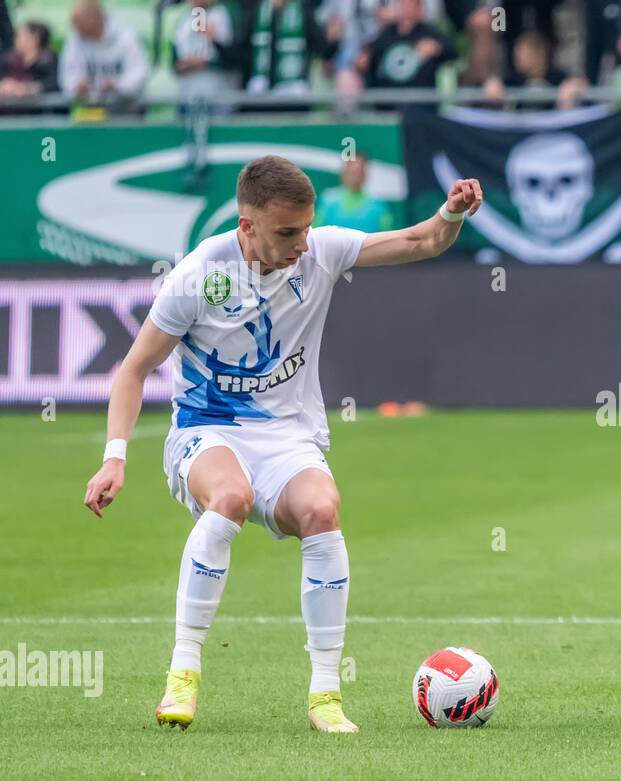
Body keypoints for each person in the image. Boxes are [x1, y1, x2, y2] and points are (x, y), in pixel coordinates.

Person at [83, 155, 483, 733]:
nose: (301, 244)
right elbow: (133, 370)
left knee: (322, 510)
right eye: (286, 232)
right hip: (206, 429)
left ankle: (325, 697)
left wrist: (451, 212)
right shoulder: (199, 276)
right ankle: (184, 673)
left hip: (287, 436)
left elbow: (421, 242)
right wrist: (114, 459)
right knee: (231, 499)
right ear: (247, 226)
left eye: (305, 228)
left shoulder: (320, 249)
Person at [58, 0, 150, 111]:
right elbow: (68, 78)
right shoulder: (74, 41)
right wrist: (77, 86)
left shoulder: (126, 37)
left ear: (96, 18)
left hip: (128, 111)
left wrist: (117, 85)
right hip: (91, 112)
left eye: (79, 22)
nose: (75, 27)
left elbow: (139, 73)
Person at [314, 152, 393, 232]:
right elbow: (315, 231)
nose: (355, 173)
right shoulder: (328, 199)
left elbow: (388, 235)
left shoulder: (378, 204)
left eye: (359, 170)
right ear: (344, 172)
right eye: (352, 169)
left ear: (365, 174)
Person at [0, 21, 59, 101]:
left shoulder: (49, 60)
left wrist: (28, 88)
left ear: (34, 37)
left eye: (19, 35)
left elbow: (54, 83)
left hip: (40, 109)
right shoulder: (9, 59)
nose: (16, 39)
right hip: (9, 108)